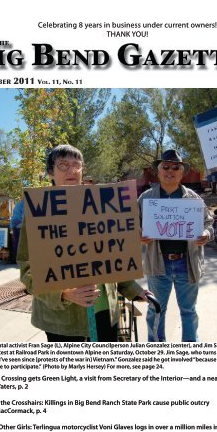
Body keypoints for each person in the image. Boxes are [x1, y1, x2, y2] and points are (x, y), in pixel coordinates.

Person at [17, 144, 152, 342]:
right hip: (64, 322)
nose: (71, 171)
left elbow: (112, 258)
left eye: (76, 165)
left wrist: (134, 290)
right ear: (50, 172)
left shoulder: (101, 204)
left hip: (107, 313)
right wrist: (63, 293)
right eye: (63, 165)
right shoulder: (38, 212)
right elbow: (27, 270)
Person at [138, 149, 214, 342]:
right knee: (156, 310)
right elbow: (133, 226)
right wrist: (139, 235)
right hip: (158, 265)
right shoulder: (146, 199)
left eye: (175, 167)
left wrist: (206, 234)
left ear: (182, 173)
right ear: (158, 171)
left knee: (188, 311)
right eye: (165, 167)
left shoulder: (194, 200)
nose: (170, 171)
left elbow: (208, 223)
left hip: (186, 265)